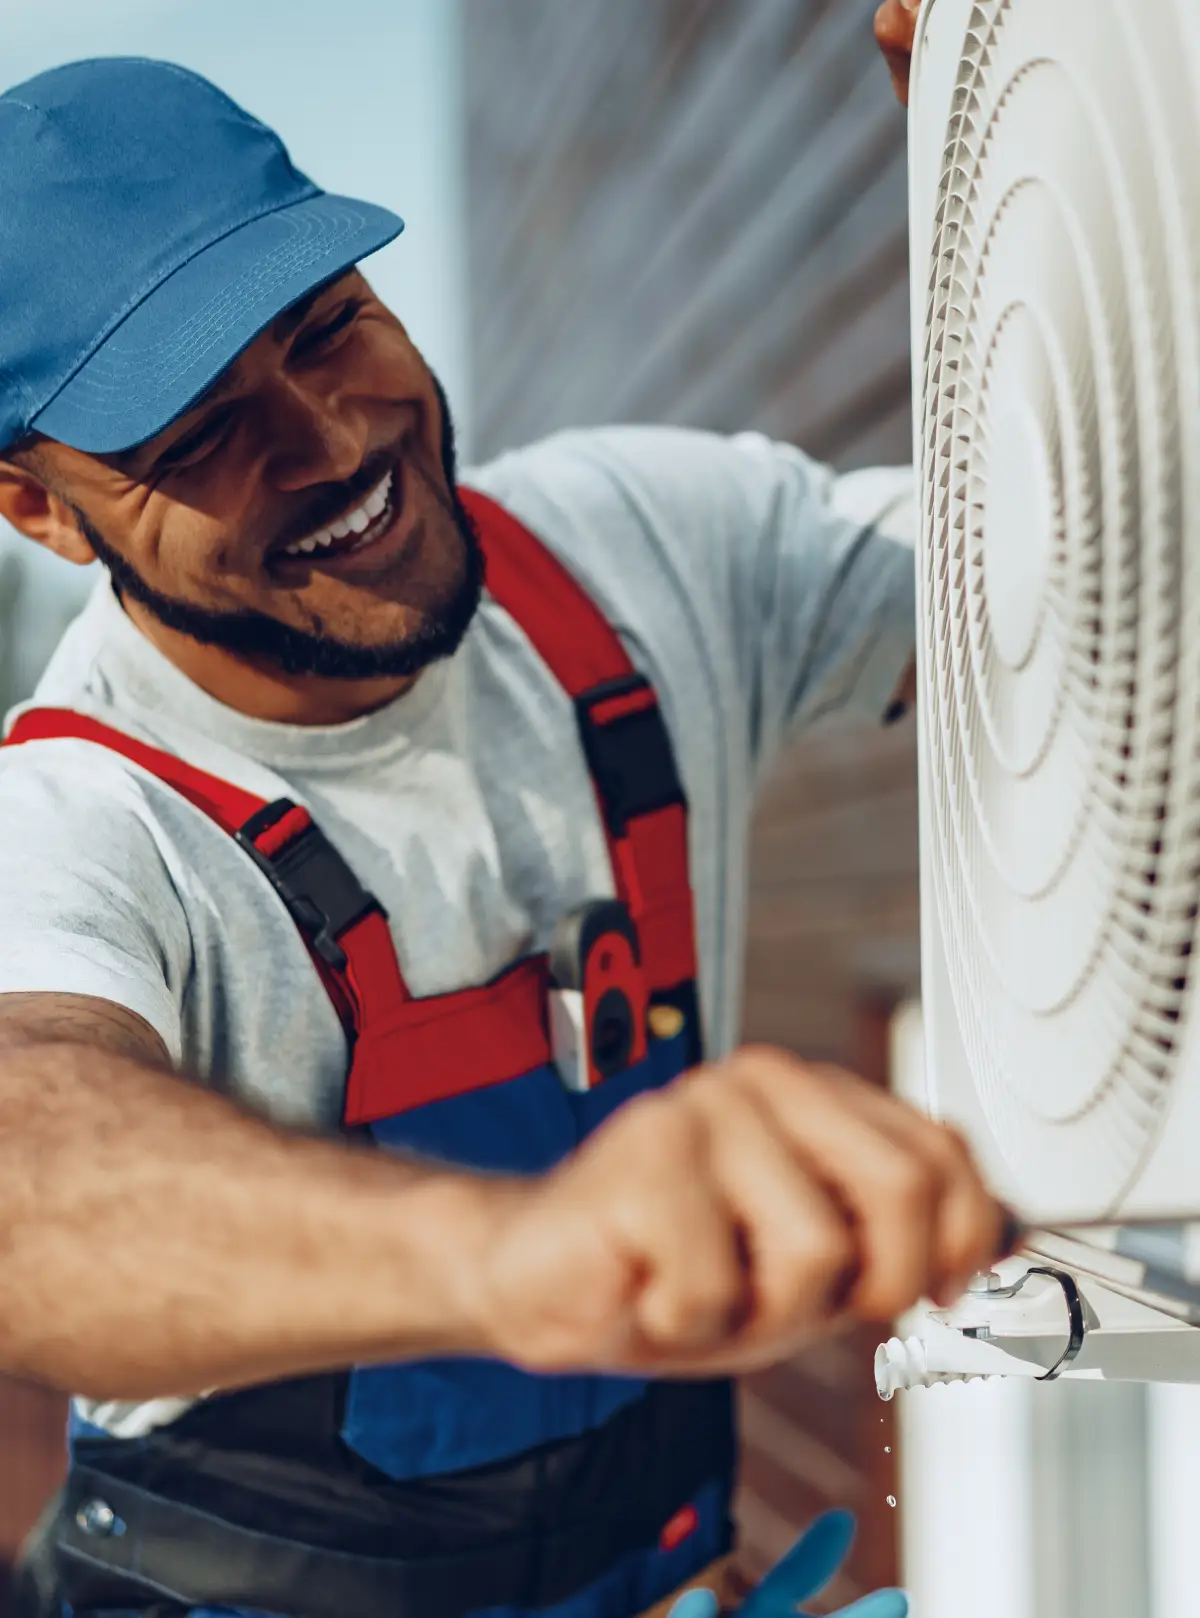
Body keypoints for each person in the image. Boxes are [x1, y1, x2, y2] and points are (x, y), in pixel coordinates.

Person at [0, 13, 981, 1618]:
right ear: (40, 508)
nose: (329, 441)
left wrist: (1032, 162)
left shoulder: (643, 551)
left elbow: (1096, 569)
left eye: (326, 328)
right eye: (200, 438)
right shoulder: (80, 816)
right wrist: (523, 1253)